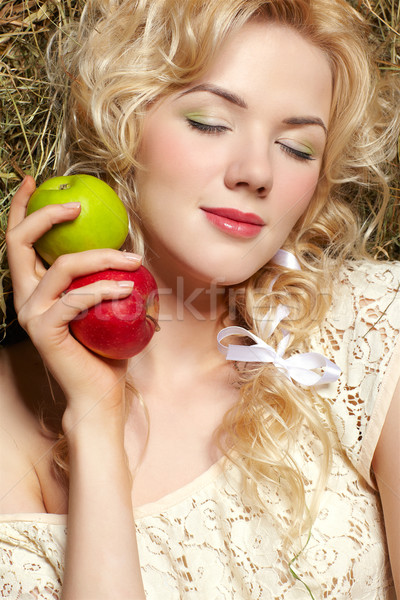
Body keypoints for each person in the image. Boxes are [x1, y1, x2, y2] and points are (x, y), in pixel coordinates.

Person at [1, 0, 399, 597]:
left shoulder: (372, 324)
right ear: (124, 121)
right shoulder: (10, 427)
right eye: (211, 122)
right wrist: (95, 420)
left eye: (297, 148)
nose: (256, 171)